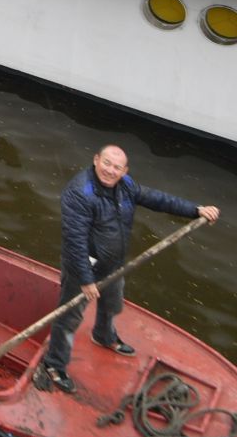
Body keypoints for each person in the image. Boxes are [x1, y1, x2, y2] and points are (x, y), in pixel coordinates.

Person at [36, 144, 219, 394]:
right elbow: (74, 241)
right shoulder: (80, 192)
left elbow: (156, 199)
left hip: (113, 265)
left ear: (125, 171)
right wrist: (86, 281)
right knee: (69, 318)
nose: (110, 171)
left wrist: (195, 210)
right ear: (96, 159)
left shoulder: (126, 186)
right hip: (83, 268)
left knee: (112, 304)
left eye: (117, 167)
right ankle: (54, 364)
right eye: (107, 163)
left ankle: (104, 335)